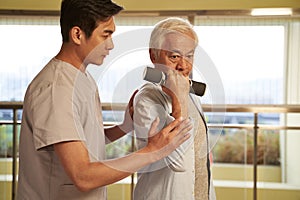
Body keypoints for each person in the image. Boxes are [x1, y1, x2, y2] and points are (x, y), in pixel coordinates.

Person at [16, 1, 193, 199]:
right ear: (77, 35)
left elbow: (83, 141)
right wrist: (153, 151)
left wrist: (124, 127)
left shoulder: (82, 78)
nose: (111, 44)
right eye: (106, 35)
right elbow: (83, 176)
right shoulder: (56, 89)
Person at [133, 17, 216, 200]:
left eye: (189, 55)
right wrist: (178, 100)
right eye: (174, 56)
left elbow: (199, 161)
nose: (183, 66)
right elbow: (178, 162)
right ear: (153, 56)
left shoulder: (189, 94)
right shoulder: (146, 99)